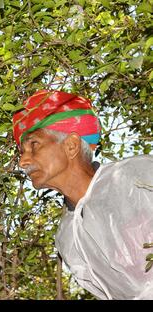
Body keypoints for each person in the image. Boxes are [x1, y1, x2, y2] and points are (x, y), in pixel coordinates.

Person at [12, 90, 153, 299]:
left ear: (71, 145)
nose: (23, 161)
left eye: (34, 145)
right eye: (22, 152)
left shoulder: (137, 176)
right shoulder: (68, 237)